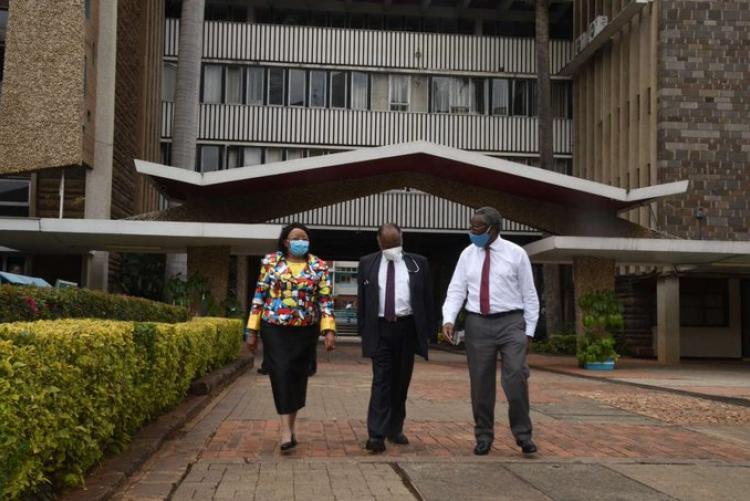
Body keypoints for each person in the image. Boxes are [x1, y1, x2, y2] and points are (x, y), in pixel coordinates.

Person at [441, 207, 540, 456]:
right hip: (478, 324)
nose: (471, 231)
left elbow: (529, 294)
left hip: (511, 323)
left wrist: (529, 331)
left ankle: (523, 435)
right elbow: (456, 290)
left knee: (516, 377)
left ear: (493, 229)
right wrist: (449, 318)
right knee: (481, 383)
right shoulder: (467, 255)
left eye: (476, 227)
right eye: (471, 225)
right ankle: (483, 435)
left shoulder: (516, 254)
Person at [246, 223, 336, 452]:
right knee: (281, 371)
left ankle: (290, 427)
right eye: (296, 237)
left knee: (297, 375)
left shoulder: (319, 266)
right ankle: (285, 432)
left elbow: (325, 300)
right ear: (286, 241)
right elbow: (259, 295)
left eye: (304, 238)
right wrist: (252, 331)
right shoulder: (270, 262)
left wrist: (329, 330)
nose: (301, 242)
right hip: (274, 326)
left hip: (305, 329)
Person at [358, 223, 436, 453]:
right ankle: (376, 434)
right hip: (381, 328)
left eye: (396, 244)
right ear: (379, 242)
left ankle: (395, 428)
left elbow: (427, 298)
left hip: (407, 328)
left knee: (401, 381)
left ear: (402, 240)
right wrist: (364, 331)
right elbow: (363, 300)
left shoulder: (418, 263)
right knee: (381, 380)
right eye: (388, 244)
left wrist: (428, 331)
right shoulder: (367, 263)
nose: (392, 248)